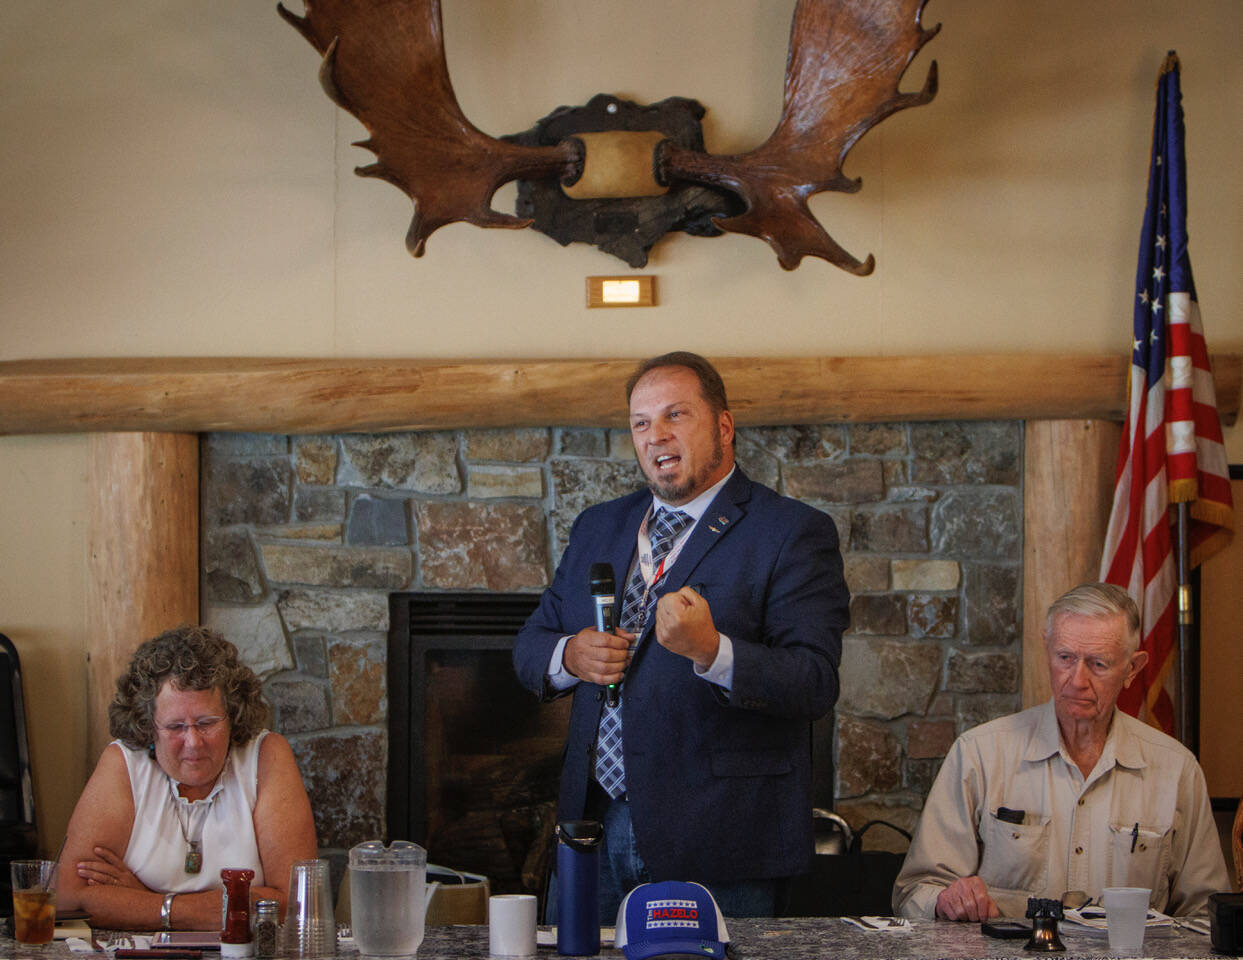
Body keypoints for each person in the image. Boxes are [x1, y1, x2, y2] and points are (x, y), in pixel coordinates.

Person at [512, 351, 850, 919]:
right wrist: (568, 655)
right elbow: (529, 643)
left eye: (676, 415)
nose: (655, 435)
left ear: (723, 425)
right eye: (641, 423)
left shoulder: (793, 532)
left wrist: (712, 651)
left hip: (719, 839)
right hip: (590, 828)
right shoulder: (599, 525)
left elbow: (814, 681)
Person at [893, 583, 1229, 920]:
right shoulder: (979, 754)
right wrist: (947, 901)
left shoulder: (1176, 769)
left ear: (1132, 669)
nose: (1077, 680)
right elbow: (914, 892)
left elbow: (1206, 915)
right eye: (1065, 658)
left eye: (1098, 664)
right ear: (1047, 649)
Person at [57, 625, 318, 930]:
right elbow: (69, 898)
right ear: (148, 725)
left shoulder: (266, 756)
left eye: (207, 723)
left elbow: (298, 900)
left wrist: (143, 901)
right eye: (175, 727)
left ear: (233, 716)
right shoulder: (124, 764)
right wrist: (187, 910)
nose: (193, 742)